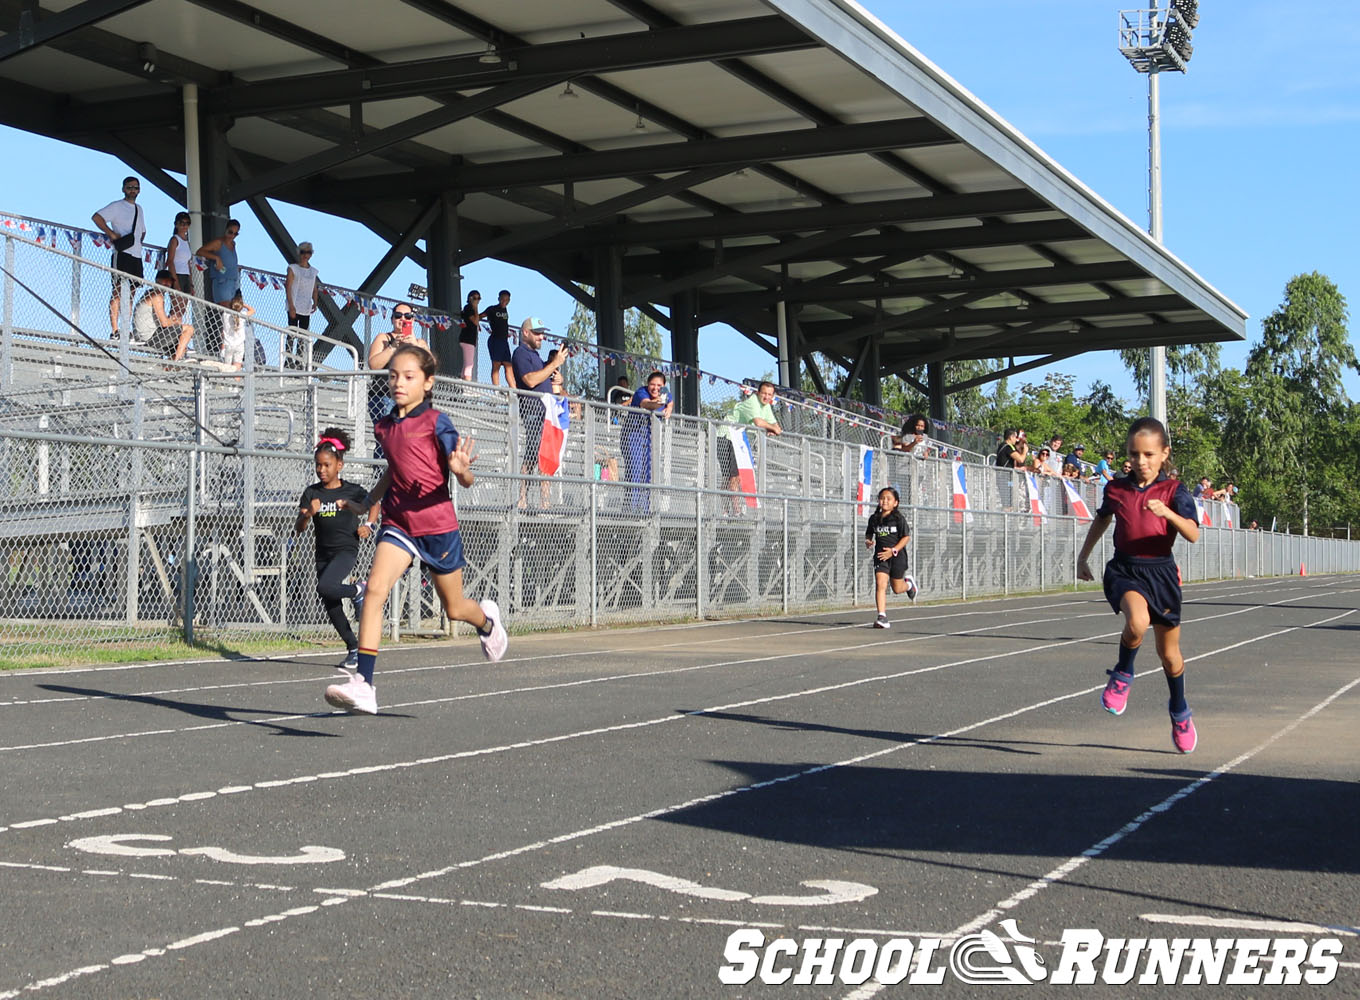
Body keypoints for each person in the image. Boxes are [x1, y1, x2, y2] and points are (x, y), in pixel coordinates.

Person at [323, 344, 507, 715]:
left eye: (408, 376)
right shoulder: (385, 426)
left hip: (437, 526)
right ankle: (365, 685)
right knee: (375, 589)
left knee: (454, 609)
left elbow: (466, 477)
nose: (398, 383)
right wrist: (368, 502)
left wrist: (461, 470)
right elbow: (395, 470)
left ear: (428, 382)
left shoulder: (437, 422)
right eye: (393, 376)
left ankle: (487, 622)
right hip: (399, 521)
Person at [1076, 416, 1201, 754]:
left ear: (1164, 454)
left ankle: (1179, 710)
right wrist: (1082, 557)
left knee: (1170, 657)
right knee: (1137, 622)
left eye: (1148, 455)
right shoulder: (1116, 488)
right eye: (1133, 454)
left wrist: (1168, 514)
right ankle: (1123, 673)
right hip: (1125, 570)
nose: (1140, 462)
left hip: (1161, 575)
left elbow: (1192, 533)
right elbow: (1102, 518)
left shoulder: (1174, 491)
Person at [295, 429, 371, 670]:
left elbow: (373, 504)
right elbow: (300, 527)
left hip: (346, 550)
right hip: (323, 554)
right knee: (330, 602)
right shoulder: (311, 493)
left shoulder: (352, 490)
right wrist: (309, 514)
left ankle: (359, 589)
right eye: (318, 465)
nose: (321, 470)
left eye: (326, 465)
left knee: (325, 587)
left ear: (339, 465)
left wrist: (368, 524)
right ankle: (353, 648)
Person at [511, 317, 570, 509]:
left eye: (542, 333)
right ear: (525, 333)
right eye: (537, 333)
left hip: (546, 414)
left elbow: (543, 378)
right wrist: (554, 364)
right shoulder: (521, 353)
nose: (541, 337)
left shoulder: (536, 357)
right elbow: (529, 380)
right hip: (533, 412)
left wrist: (556, 380)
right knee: (532, 455)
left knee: (545, 456)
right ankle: (523, 499)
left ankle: (545, 502)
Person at [367, 303, 430, 457]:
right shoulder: (384, 338)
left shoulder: (419, 342)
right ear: (392, 318)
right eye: (398, 316)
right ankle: (382, 473)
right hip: (384, 395)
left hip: (411, 400)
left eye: (407, 316)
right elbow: (373, 364)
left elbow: (431, 365)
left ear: (413, 320)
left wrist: (415, 346)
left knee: (409, 440)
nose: (403, 319)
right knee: (388, 437)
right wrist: (393, 347)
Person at [92, 176, 146, 336]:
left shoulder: (139, 209)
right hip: (122, 253)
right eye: (129, 187)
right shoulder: (117, 206)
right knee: (117, 291)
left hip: (136, 255)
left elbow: (143, 231)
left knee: (131, 293)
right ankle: (115, 329)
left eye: (135, 188)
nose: (132, 190)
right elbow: (97, 217)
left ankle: (126, 328)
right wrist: (111, 234)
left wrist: (138, 242)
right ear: (123, 189)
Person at [717, 381, 781, 510]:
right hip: (727, 436)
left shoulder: (766, 406)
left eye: (770, 394)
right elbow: (759, 422)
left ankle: (726, 510)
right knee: (734, 476)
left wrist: (773, 428)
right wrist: (771, 428)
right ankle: (735, 511)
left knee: (734, 477)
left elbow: (775, 425)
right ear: (758, 393)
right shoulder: (753, 402)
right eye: (764, 393)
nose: (766, 397)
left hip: (740, 439)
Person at [864, 486, 916, 629]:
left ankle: (909, 584)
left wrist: (893, 550)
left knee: (897, 588)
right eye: (882, 498)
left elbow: (906, 537)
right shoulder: (874, 519)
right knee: (881, 584)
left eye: (888, 499)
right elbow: (869, 534)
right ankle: (882, 616)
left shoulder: (898, 519)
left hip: (897, 557)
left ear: (895, 503)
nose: (884, 501)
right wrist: (868, 541)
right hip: (881, 557)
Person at [621, 371, 672, 512]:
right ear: (647, 384)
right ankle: (631, 509)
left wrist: (669, 407)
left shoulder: (665, 392)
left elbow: (671, 400)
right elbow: (646, 404)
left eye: (659, 385)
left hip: (650, 438)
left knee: (649, 473)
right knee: (635, 473)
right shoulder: (640, 392)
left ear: (664, 386)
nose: (655, 388)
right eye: (652, 385)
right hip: (633, 436)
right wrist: (660, 403)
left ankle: (646, 509)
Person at [195, 219, 242, 356]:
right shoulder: (218, 243)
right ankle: (223, 347)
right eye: (230, 232)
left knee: (233, 314)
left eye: (235, 233)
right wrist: (216, 258)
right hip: (221, 281)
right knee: (226, 314)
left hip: (233, 282)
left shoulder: (233, 244)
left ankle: (229, 345)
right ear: (225, 229)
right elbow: (200, 251)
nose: (232, 235)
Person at [131, 269, 195, 361]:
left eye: (170, 281)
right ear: (157, 280)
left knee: (182, 342)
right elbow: (164, 323)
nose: (168, 283)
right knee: (189, 329)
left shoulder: (152, 293)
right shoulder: (156, 295)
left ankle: (170, 364)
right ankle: (177, 360)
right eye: (165, 280)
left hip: (149, 336)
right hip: (148, 338)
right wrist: (174, 321)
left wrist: (173, 322)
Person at [485, 289, 515, 387]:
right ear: (499, 299)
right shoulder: (492, 309)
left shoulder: (505, 310)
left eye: (507, 300)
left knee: (508, 365)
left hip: (504, 341)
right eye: (502, 299)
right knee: (496, 365)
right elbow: (481, 316)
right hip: (495, 339)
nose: (504, 302)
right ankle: (496, 389)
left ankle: (513, 389)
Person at [220, 289, 255, 370]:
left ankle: (226, 380)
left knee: (227, 366)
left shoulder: (225, 315)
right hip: (239, 344)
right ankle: (237, 380)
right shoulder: (243, 315)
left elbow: (222, 304)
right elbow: (252, 310)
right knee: (237, 365)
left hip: (228, 344)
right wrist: (243, 305)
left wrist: (232, 303)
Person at [166, 211, 193, 295]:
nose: (184, 225)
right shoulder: (174, 240)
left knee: (184, 307)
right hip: (177, 274)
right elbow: (170, 261)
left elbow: (188, 263)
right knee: (177, 306)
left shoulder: (187, 242)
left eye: (187, 223)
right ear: (176, 224)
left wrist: (191, 283)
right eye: (181, 223)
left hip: (186, 276)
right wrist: (175, 281)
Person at [458, 290, 482, 380]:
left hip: (469, 339)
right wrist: (475, 308)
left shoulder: (469, 308)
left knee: (466, 364)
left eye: (479, 298)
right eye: (475, 298)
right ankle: (467, 385)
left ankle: (462, 381)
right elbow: (475, 321)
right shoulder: (469, 308)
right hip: (467, 339)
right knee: (469, 364)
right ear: (470, 298)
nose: (477, 300)